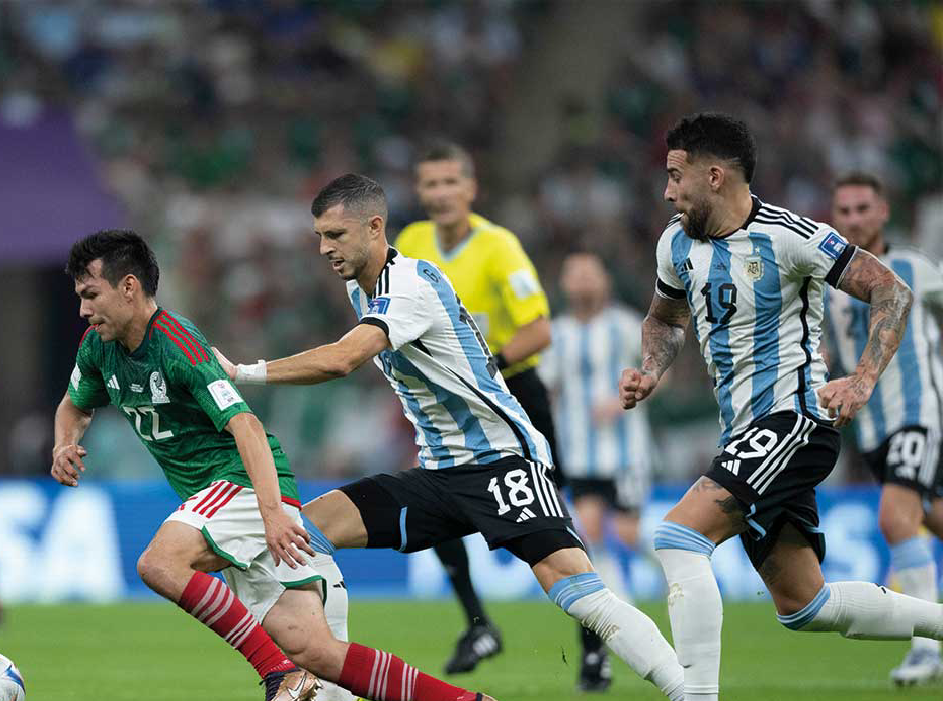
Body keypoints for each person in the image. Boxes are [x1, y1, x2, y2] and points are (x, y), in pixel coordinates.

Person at [216, 174, 687, 700]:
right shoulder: (358, 288)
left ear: (375, 227)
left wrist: (241, 372)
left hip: (501, 461)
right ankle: (333, 687)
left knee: (577, 592)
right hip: (440, 472)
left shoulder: (411, 285)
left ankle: (689, 693)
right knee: (304, 535)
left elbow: (342, 359)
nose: (325, 248)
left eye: (336, 235)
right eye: (320, 237)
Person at [51, 229, 499, 701]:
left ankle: (279, 675)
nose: (83, 310)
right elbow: (74, 406)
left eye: (90, 295)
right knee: (318, 652)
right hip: (224, 505)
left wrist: (271, 514)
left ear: (128, 287)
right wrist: (65, 444)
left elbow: (246, 426)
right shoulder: (97, 347)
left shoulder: (178, 345)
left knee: (160, 564)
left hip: (242, 485)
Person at [620, 112, 943, 701]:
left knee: (676, 538)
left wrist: (863, 379)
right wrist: (651, 370)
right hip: (741, 435)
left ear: (714, 176)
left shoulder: (791, 236)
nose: (667, 191)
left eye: (675, 176)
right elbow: (665, 319)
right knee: (804, 606)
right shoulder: (676, 242)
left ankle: (696, 697)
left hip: (793, 422)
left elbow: (890, 290)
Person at [394, 142, 597, 681]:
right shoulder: (411, 243)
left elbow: (540, 329)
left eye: (448, 184)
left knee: (553, 520)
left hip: (513, 397)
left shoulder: (499, 247)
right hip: (448, 404)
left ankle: (593, 637)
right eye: (429, 185)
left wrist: (487, 365)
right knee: (435, 507)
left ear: (470, 188)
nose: (439, 195)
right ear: (419, 191)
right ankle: (479, 623)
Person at [822, 171, 943, 686]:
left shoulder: (916, 266)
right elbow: (829, 344)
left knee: (896, 519)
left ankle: (927, 650)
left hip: (917, 413)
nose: (853, 218)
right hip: (868, 426)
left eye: (862, 208)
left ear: (883, 210)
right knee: (928, 517)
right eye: (844, 210)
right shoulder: (830, 278)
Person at [540, 253, 651, 625]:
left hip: (624, 452)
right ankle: (621, 605)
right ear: (565, 284)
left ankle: (679, 567)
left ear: (605, 280)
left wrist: (626, 398)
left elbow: (656, 372)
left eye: (591, 273)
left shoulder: (625, 325)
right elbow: (547, 389)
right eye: (576, 274)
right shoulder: (555, 333)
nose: (584, 281)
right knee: (587, 532)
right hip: (577, 454)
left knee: (627, 535)